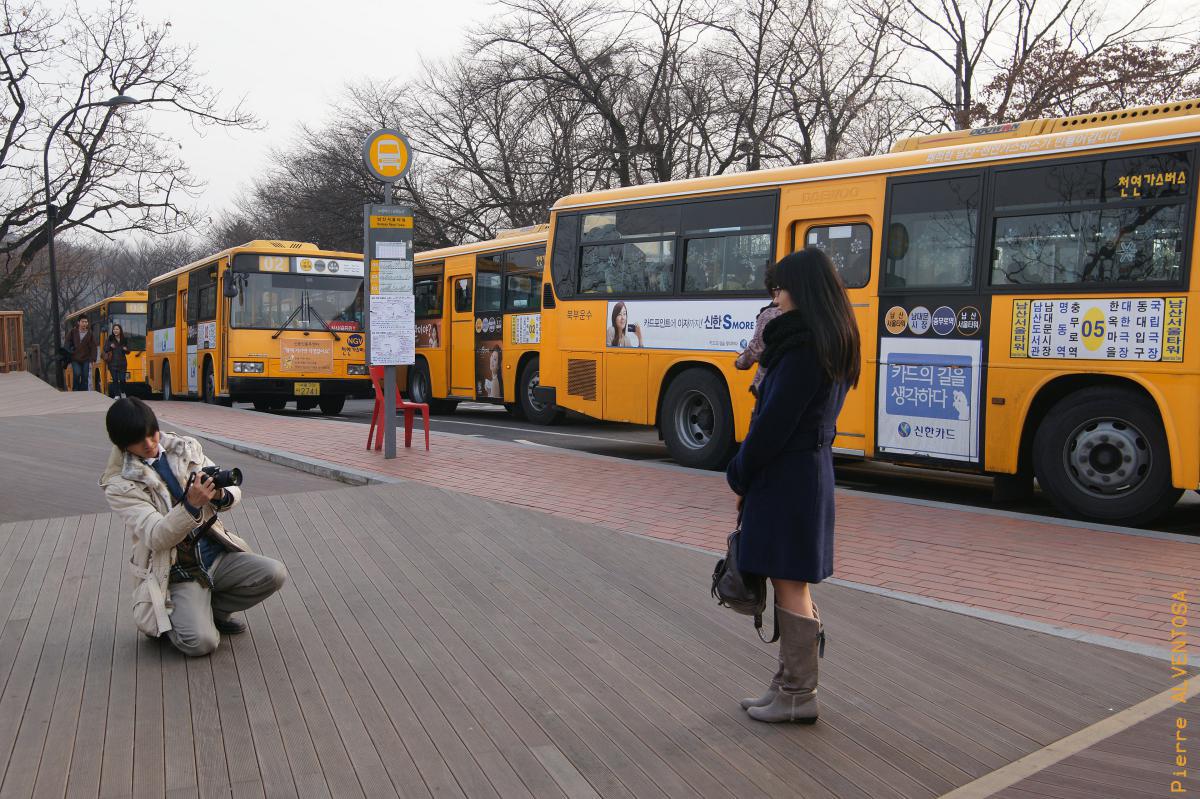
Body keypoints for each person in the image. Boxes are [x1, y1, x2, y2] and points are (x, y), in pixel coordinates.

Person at [727, 247, 861, 724]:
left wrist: (740, 471)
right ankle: (787, 684)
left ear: (802, 289)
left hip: (788, 476)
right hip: (802, 472)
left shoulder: (804, 348)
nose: (776, 298)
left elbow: (774, 424)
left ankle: (799, 694)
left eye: (780, 288)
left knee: (790, 582)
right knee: (789, 580)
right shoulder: (828, 339)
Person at [99, 397, 287, 657]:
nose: (150, 444)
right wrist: (190, 506)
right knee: (201, 643)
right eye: (139, 441)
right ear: (123, 445)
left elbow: (230, 489)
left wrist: (219, 494)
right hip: (176, 570)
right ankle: (171, 621)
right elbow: (156, 536)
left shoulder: (184, 448)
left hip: (215, 555)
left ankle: (213, 611)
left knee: (274, 573)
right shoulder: (120, 484)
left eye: (152, 434)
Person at [734, 268, 783, 397]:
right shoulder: (812, 313)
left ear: (776, 290)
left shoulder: (769, 315)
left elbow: (756, 348)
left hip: (771, 385)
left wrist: (740, 362)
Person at [67, 317, 96, 392]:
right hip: (75, 358)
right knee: (77, 373)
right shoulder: (73, 332)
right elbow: (67, 344)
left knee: (85, 376)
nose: (84, 323)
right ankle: (75, 390)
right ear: (78, 322)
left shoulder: (90, 333)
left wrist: (93, 359)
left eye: (86, 322)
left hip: (86, 359)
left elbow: (93, 346)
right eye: (83, 322)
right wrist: (68, 355)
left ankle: (84, 391)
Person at [103, 322, 132, 398]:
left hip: (122, 363)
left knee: (122, 380)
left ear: (120, 330)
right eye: (114, 329)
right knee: (115, 380)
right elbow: (105, 349)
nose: (115, 330)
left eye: (117, 329)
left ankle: (122, 392)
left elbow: (129, 350)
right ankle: (117, 395)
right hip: (112, 363)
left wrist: (126, 349)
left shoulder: (124, 339)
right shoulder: (110, 339)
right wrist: (110, 346)